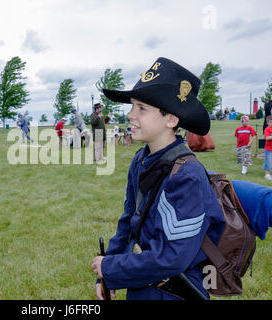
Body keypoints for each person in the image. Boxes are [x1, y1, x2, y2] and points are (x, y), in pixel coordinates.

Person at [91, 57, 225, 300]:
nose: (131, 114)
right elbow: (128, 222)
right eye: (132, 106)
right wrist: (107, 272)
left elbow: (173, 258)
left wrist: (112, 269)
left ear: (171, 119)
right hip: (142, 285)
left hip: (176, 292)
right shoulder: (141, 159)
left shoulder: (188, 176)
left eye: (142, 108)